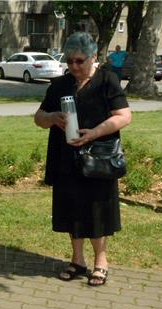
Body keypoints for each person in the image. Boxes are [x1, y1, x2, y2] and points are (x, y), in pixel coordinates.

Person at [34, 32, 132, 287]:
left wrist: (95, 133)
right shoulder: (60, 85)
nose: (74, 66)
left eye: (80, 61)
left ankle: (101, 262)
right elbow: (38, 117)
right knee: (71, 209)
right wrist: (52, 118)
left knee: (97, 210)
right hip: (66, 157)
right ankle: (77, 260)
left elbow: (124, 116)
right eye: (70, 61)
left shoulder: (106, 80)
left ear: (93, 57)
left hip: (98, 157)